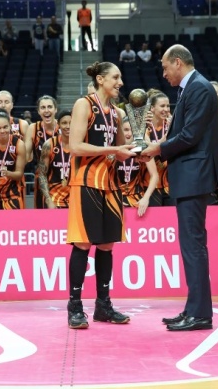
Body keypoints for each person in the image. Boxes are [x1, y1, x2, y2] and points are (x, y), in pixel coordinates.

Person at [141, 44, 218, 331]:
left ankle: (201, 314)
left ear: (178, 63)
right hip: (190, 176)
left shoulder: (199, 88)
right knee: (191, 246)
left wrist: (158, 150)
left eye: (165, 67)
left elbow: (189, 136)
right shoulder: (191, 88)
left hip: (195, 176)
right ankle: (193, 308)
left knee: (194, 247)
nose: (164, 73)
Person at [65, 61, 136, 329]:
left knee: (107, 245)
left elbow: (119, 148)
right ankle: (74, 307)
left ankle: (103, 306)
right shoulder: (84, 104)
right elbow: (75, 146)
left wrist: (135, 150)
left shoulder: (117, 112)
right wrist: (111, 149)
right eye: (115, 77)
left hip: (111, 184)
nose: (120, 82)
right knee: (83, 244)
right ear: (101, 79)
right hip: (86, 182)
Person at [117, 120, 159, 216]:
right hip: (117, 197)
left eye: (132, 130)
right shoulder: (115, 150)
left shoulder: (143, 150)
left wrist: (146, 198)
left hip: (138, 199)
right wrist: (114, 198)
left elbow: (154, 175)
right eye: (126, 130)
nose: (128, 133)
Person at [25, 95, 59, 208]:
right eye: (43, 107)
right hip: (42, 178)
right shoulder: (33, 128)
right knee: (42, 216)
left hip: (62, 176)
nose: (46, 110)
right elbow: (25, 156)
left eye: (50, 107)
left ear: (55, 109)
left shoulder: (64, 127)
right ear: (39, 111)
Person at [37, 110, 71, 209]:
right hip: (55, 199)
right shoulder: (49, 144)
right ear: (58, 125)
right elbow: (42, 174)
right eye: (64, 123)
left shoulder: (80, 145)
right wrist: (48, 200)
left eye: (71, 123)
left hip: (76, 200)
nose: (68, 126)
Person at [144, 91, 172, 206]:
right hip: (150, 183)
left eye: (168, 106)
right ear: (152, 108)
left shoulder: (172, 125)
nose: (166, 109)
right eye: (162, 106)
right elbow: (148, 150)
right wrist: (169, 134)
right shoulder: (144, 127)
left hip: (171, 183)